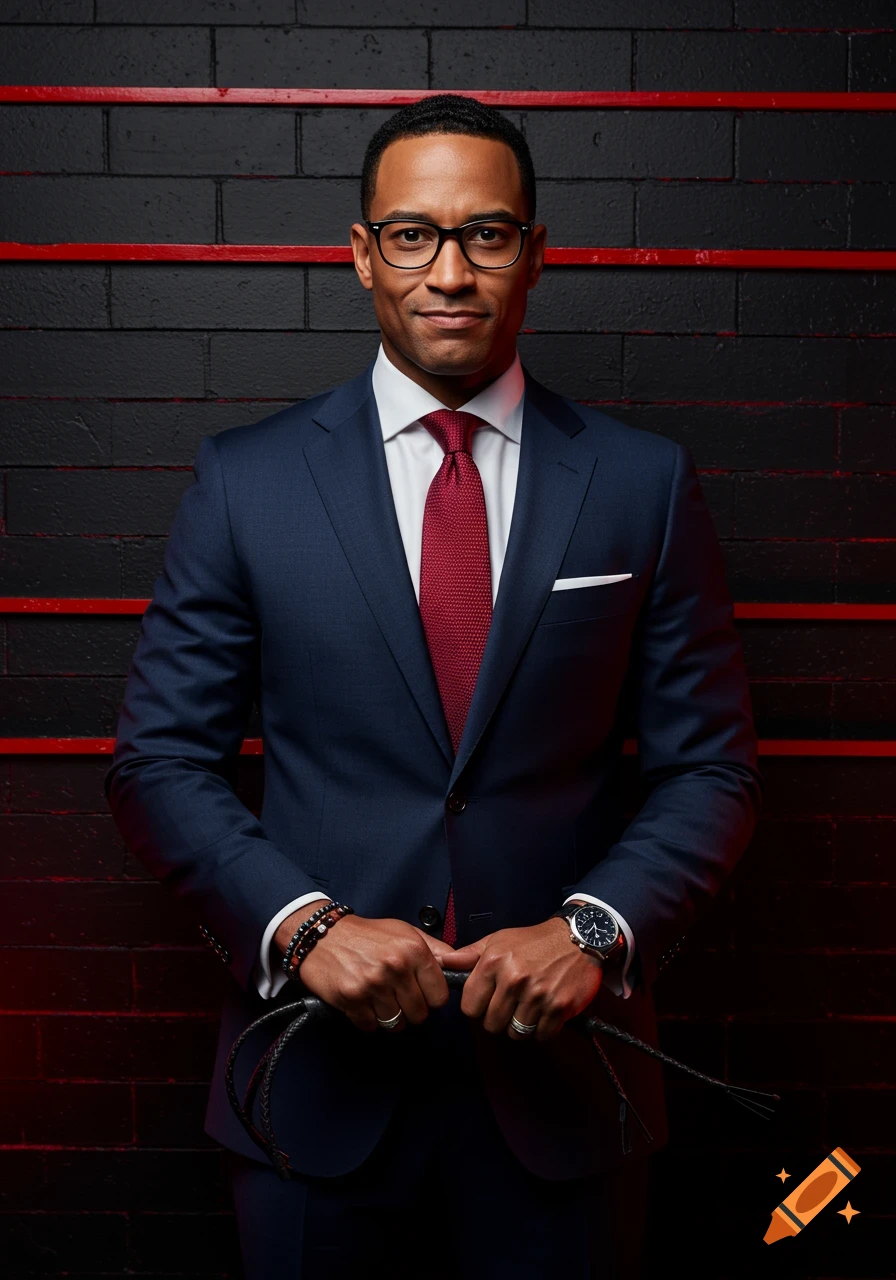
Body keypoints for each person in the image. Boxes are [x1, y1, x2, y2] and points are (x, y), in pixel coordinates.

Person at [105, 93, 762, 1279]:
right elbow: (159, 758)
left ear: (533, 254)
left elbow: (708, 766)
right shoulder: (245, 482)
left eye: (485, 235)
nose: (448, 271)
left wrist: (593, 930)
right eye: (411, 234)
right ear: (361, 255)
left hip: (565, 1088)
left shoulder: (638, 482)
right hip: (310, 1089)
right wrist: (302, 926)